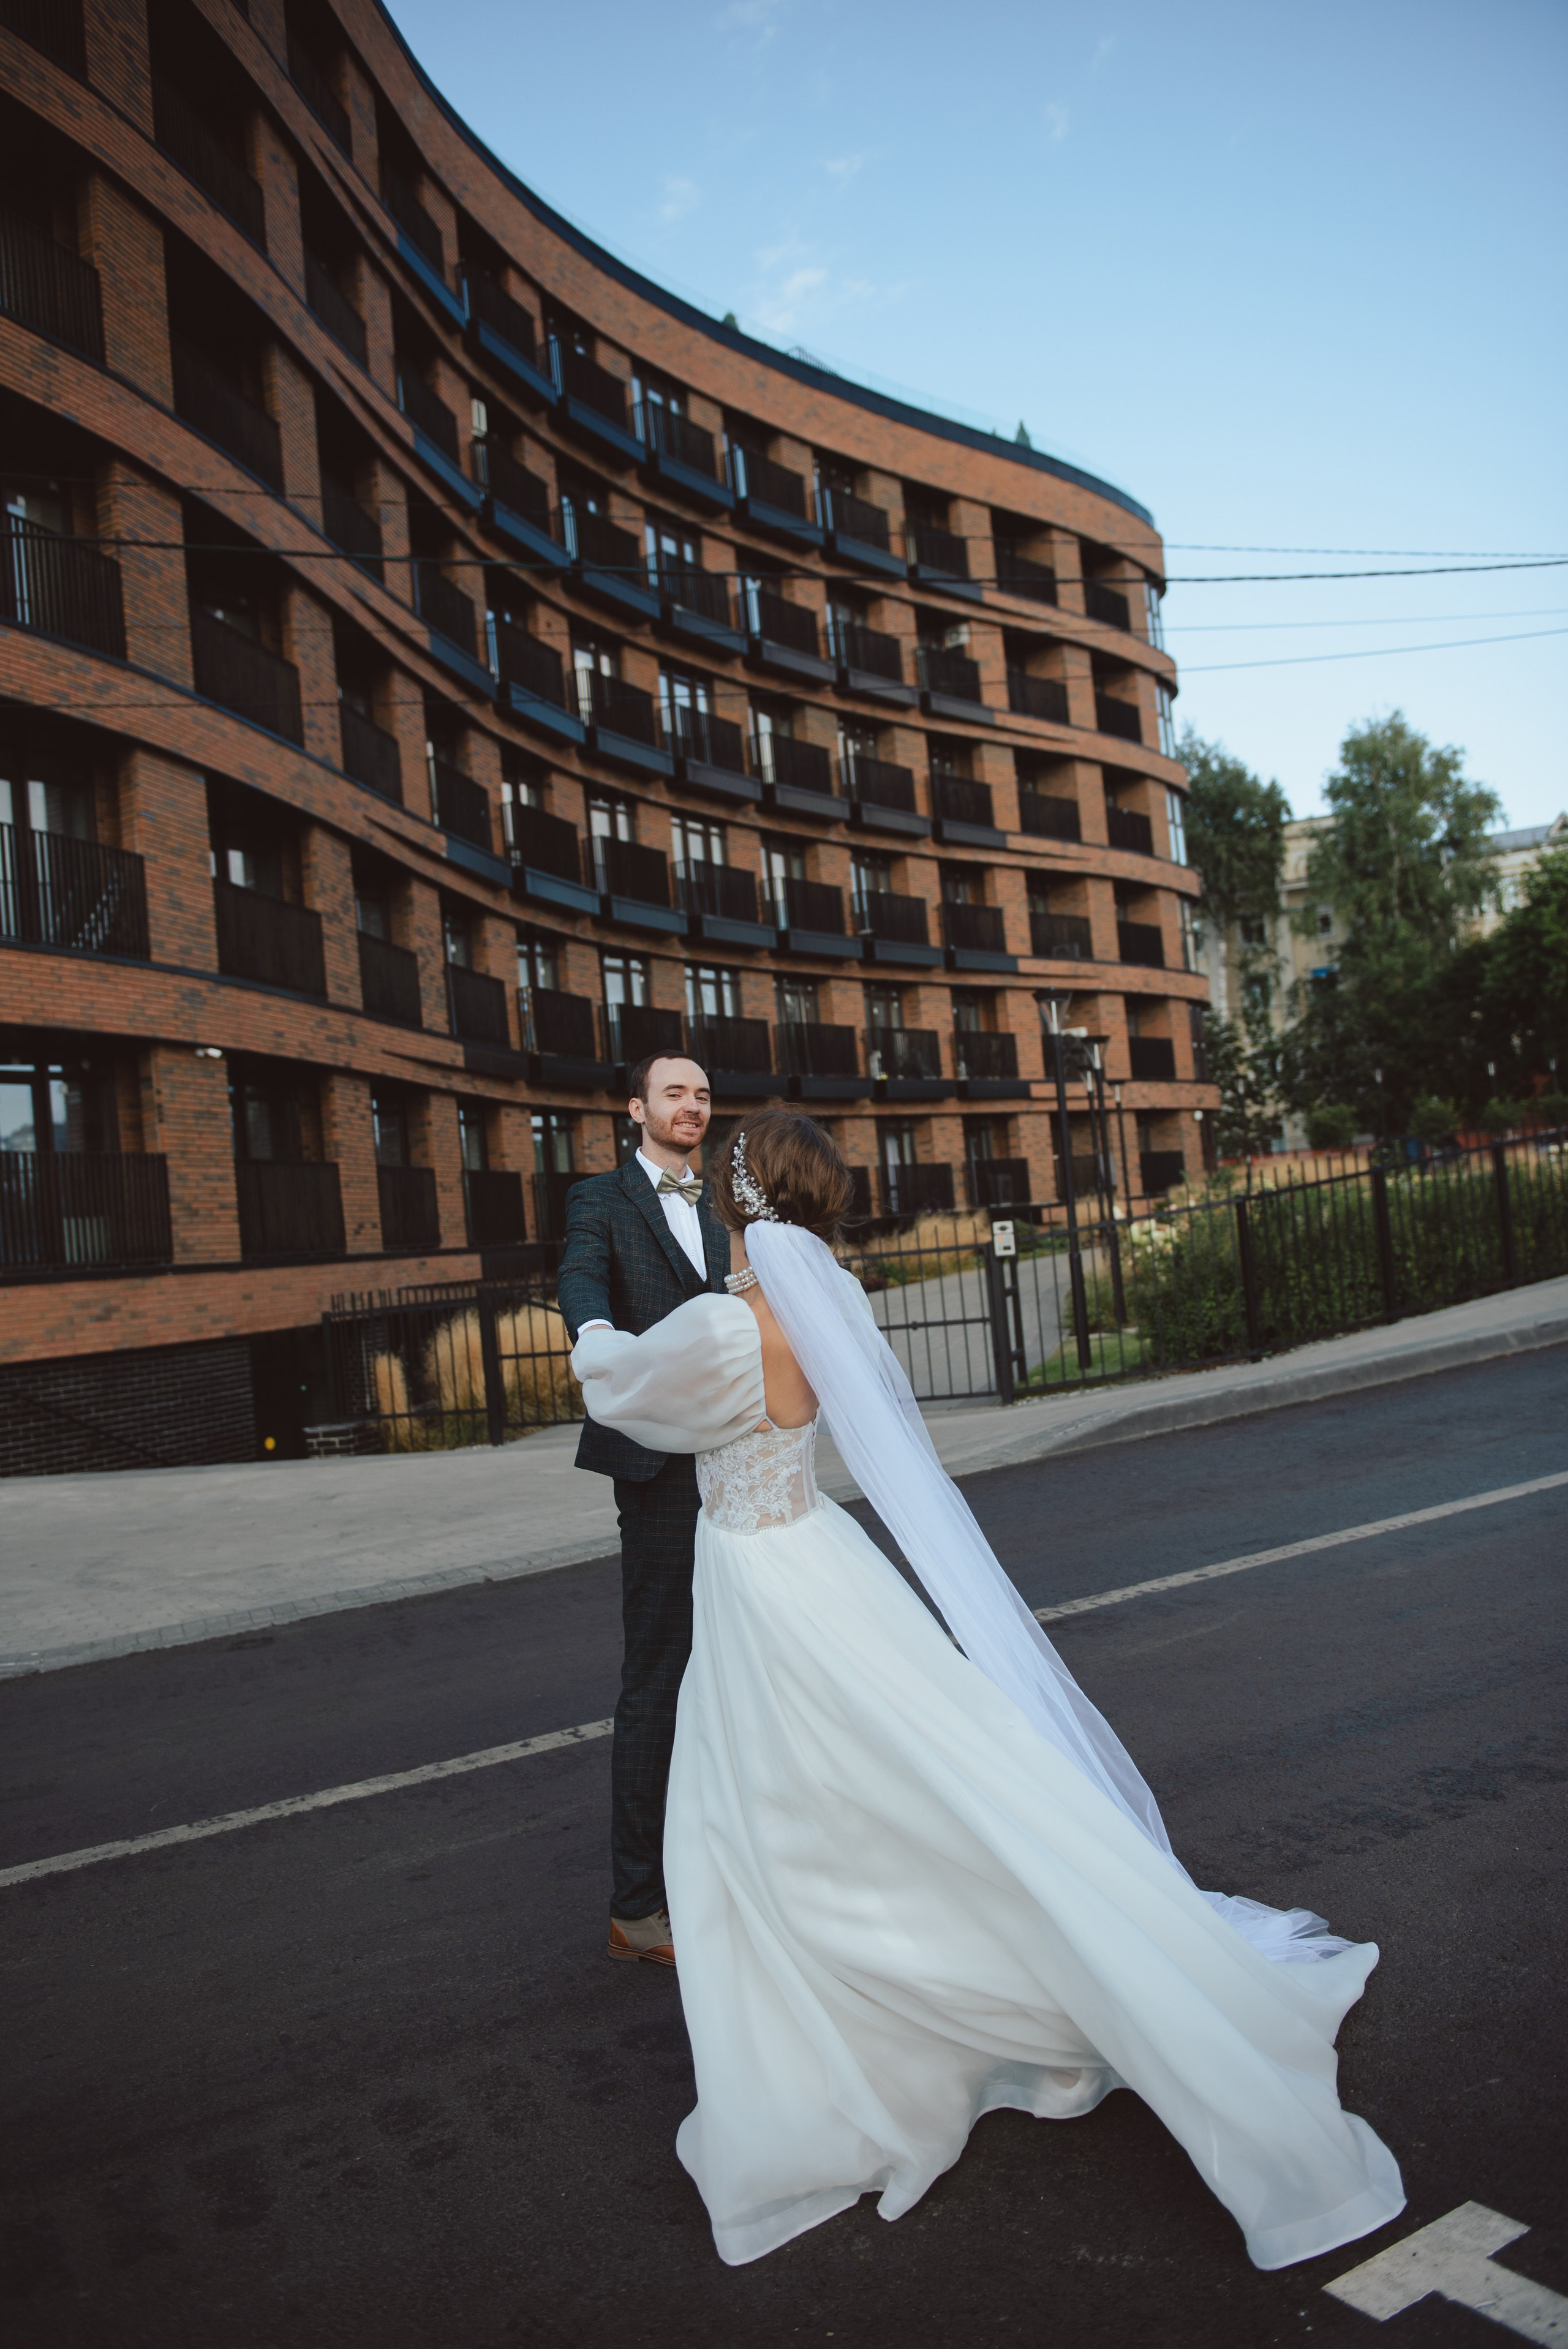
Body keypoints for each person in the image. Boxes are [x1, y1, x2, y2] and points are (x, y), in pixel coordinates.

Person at [570, 1109, 1405, 2272]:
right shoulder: (840, 1306)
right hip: (821, 1555)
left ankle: (849, 2037)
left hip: (759, 1581)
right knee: (915, 1780)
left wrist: (590, 1322)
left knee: (759, 1810)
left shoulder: (720, 1328)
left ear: (738, 1203)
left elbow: (617, 1389)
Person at [556, 1054, 728, 1969]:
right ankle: (638, 1906)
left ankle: (721, 1867)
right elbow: (582, 1278)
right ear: (637, 1108)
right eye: (675, 1093)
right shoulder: (602, 1199)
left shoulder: (726, 1205)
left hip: (738, 1462)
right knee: (658, 1681)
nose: (692, 1106)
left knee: (740, 1670)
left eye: (702, 1095)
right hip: (660, 1473)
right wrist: (598, 1338)